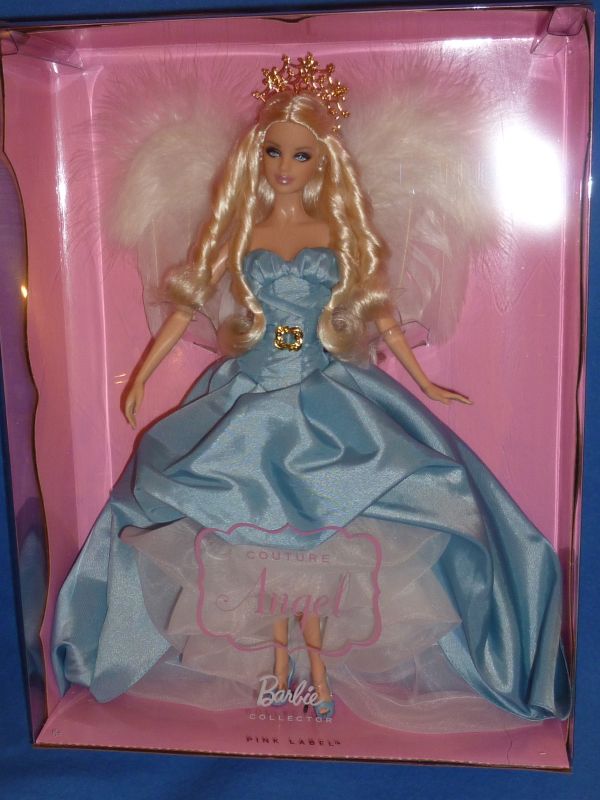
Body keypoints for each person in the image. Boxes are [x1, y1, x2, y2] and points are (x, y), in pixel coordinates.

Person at [52, 55, 571, 731]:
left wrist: (422, 380)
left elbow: (381, 311)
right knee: (259, 542)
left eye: (300, 154)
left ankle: (318, 672)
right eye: (274, 151)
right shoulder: (243, 230)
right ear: (257, 154)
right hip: (252, 393)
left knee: (328, 535)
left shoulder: (336, 232)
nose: (285, 166)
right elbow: (188, 302)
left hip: (326, 393)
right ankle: (278, 672)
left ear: (323, 162)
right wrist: (145, 371)